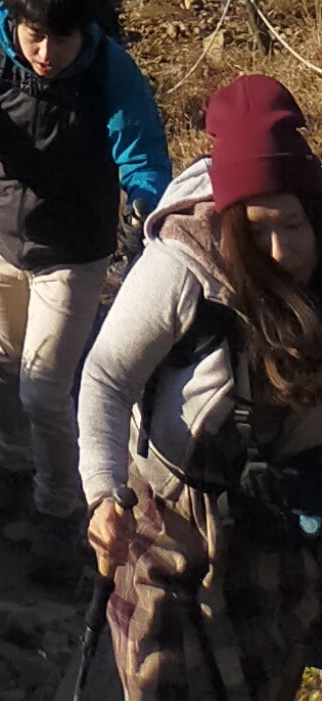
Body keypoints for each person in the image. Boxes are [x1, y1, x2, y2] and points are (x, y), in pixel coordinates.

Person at [0, 0, 172, 586]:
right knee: (2, 369)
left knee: (45, 391)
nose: (46, 53)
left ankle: (58, 509)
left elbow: (141, 154)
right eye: (35, 36)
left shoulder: (110, 70)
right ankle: (10, 465)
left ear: (83, 30)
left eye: (60, 38)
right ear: (14, 21)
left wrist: (149, 210)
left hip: (73, 255)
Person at [79, 73, 322, 701]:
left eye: (292, 224)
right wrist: (104, 494)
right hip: (172, 522)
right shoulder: (181, 268)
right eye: (257, 228)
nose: (277, 249)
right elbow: (107, 377)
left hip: (281, 523)